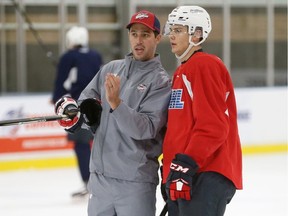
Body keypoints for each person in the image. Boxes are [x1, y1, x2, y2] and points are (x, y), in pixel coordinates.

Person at [54, 10, 171, 216]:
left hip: (135, 184)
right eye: (134, 34)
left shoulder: (161, 82)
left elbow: (146, 129)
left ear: (158, 38)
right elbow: (84, 105)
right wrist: (74, 113)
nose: (139, 40)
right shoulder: (111, 69)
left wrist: (117, 103)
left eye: (145, 34)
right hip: (100, 181)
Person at [161, 6, 243, 216]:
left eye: (178, 30)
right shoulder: (182, 70)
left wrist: (185, 164)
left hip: (205, 172)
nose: (171, 35)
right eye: (172, 29)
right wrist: (171, 169)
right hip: (188, 173)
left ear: (197, 34)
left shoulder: (204, 65)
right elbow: (181, 127)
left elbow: (213, 126)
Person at [51, 26, 103, 197]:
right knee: (100, 144)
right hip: (98, 106)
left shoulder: (68, 57)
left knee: (81, 145)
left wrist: (57, 98)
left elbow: (61, 81)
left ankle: (89, 183)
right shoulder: (95, 55)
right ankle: (102, 180)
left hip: (77, 108)